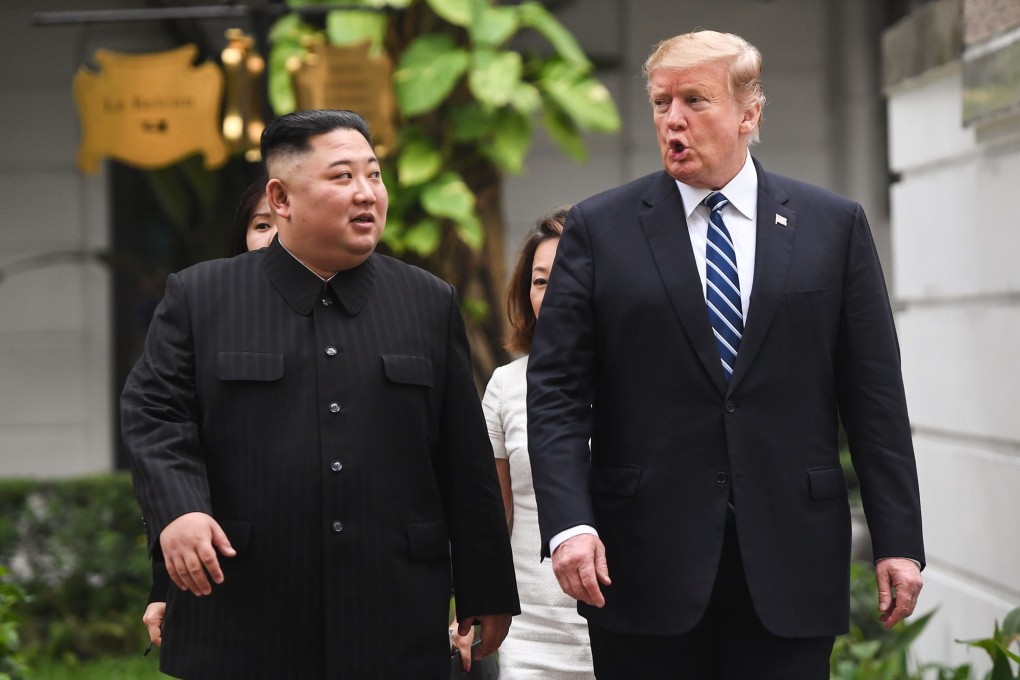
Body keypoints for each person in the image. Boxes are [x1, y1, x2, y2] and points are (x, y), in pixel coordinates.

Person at [526, 29, 924, 679]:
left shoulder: (833, 225)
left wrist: (899, 541)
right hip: (642, 563)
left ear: (749, 113)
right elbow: (557, 394)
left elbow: (874, 395)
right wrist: (570, 523)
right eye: (661, 103)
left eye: (695, 100)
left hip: (791, 560)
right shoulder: (601, 230)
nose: (673, 119)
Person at [122, 109, 519, 679]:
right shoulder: (201, 296)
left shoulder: (427, 300)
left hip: (393, 612)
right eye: (342, 177)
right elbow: (155, 414)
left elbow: (463, 456)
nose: (367, 194)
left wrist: (486, 585)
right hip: (244, 610)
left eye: (374, 175)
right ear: (280, 199)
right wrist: (179, 509)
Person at [450, 208, 594, 678]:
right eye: (540, 281)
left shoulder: (641, 382)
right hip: (528, 633)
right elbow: (498, 514)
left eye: (568, 276)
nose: (551, 295)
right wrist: (479, 600)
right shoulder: (506, 385)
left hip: (625, 627)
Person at [140, 173, 277, 650]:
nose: (275, 237)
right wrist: (164, 587)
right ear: (241, 237)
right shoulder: (203, 308)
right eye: (261, 225)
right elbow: (174, 447)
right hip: (232, 583)